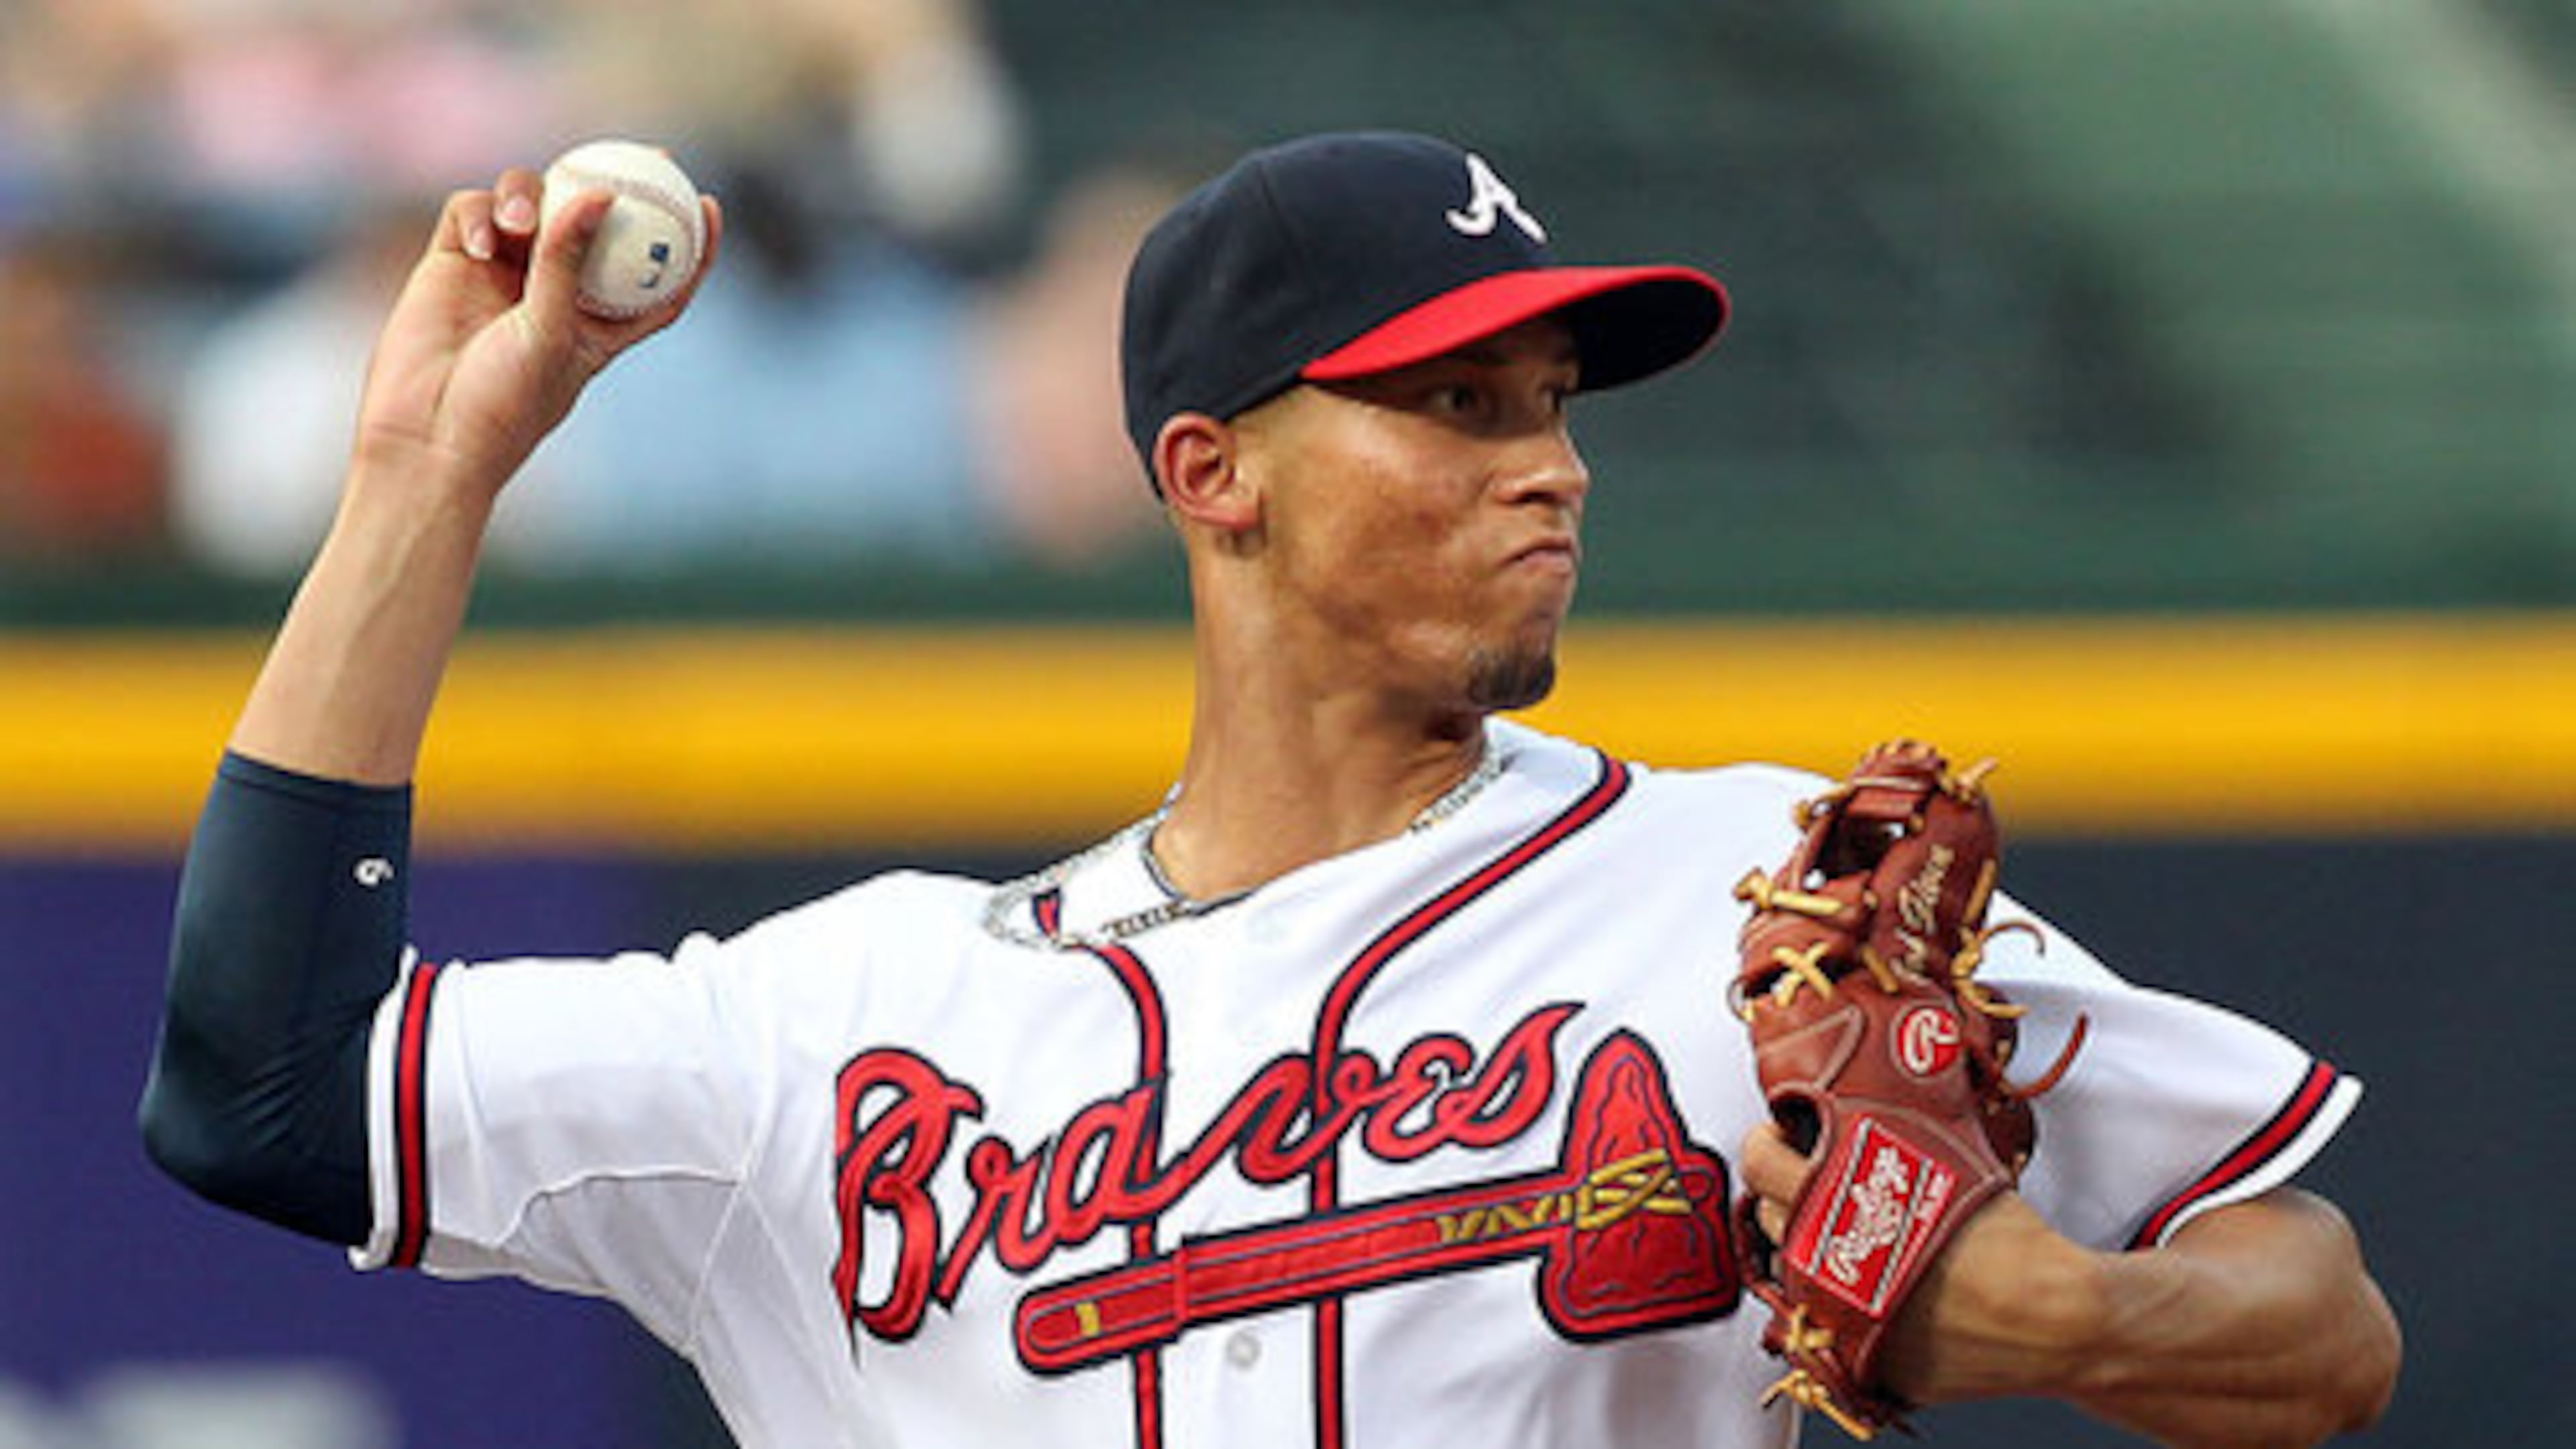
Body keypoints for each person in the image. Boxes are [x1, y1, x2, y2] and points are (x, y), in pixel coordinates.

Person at [140, 131, 2399, 1448]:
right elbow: (260, 1089)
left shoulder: (1758, 889)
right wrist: (429, 473)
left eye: (1555, 406)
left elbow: (2325, 1324)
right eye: (1457, 409)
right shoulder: (839, 1032)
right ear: (1209, 474)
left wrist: (2086, 1322)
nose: (1551, 469)